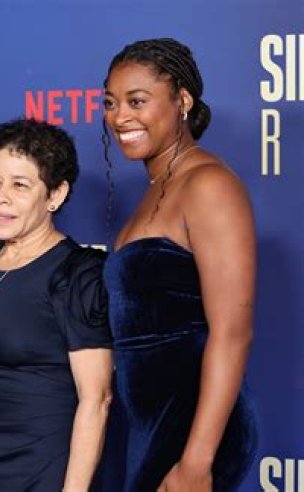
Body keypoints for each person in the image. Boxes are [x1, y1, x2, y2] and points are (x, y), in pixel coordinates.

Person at [101, 38, 258, 491]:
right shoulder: (157, 186)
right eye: (110, 103)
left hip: (191, 430)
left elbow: (233, 332)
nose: (119, 117)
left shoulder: (209, 185)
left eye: (137, 101)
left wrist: (196, 461)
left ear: (182, 100)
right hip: (151, 425)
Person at [0, 118, 113, 491]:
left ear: (55, 194)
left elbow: (97, 398)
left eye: (20, 185)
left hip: (46, 463)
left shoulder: (77, 274)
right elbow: (6, 358)